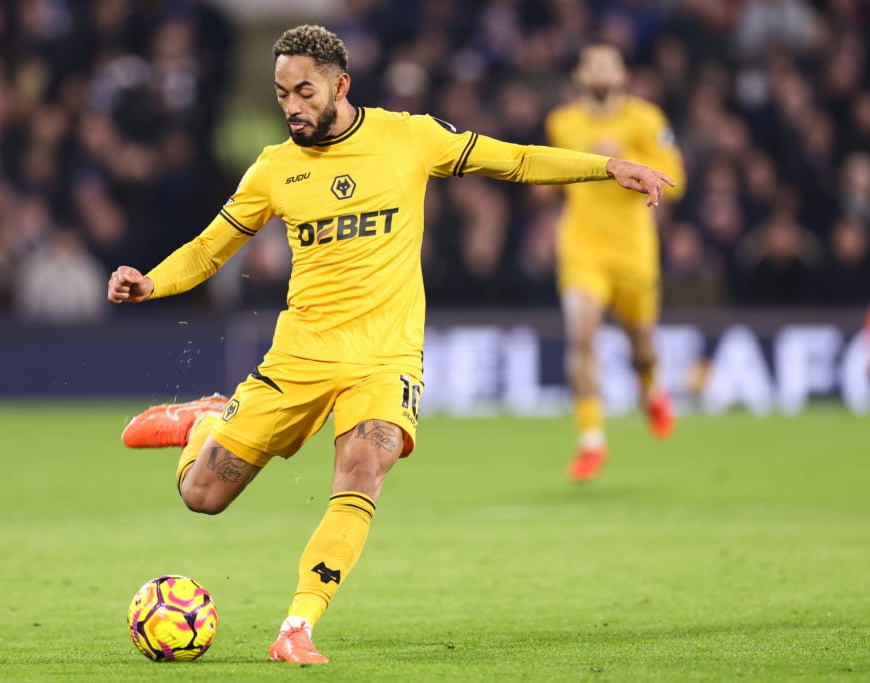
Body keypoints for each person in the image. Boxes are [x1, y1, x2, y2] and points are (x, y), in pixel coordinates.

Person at [108, 25, 675, 664]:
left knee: (363, 469)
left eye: (304, 90)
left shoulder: (409, 137)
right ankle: (205, 424)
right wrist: (150, 282)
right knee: (202, 498)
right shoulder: (275, 169)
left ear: (339, 85)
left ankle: (298, 627)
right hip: (302, 356)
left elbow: (513, 158)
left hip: (385, 357)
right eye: (280, 93)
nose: (291, 105)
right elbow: (212, 248)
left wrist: (609, 167)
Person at [544, 43, 687, 482]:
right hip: (582, 247)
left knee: (640, 343)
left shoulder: (646, 119)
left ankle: (653, 390)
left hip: (633, 249)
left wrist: (623, 155)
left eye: (610, 65)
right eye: (594, 65)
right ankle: (591, 440)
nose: (602, 73)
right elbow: (552, 172)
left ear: (624, 74)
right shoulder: (562, 123)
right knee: (582, 338)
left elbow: (675, 181)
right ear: (580, 76)